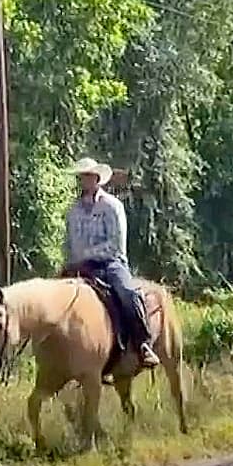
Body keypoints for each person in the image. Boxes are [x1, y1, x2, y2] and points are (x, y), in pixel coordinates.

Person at [62, 157, 159, 370]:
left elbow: (115, 244)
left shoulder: (112, 206)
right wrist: (69, 262)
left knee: (128, 292)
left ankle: (142, 344)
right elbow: (68, 242)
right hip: (80, 266)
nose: (85, 180)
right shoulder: (72, 211)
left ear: (98, 178)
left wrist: (87, 254)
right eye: (82, 176)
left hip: (110, 263)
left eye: (88, 176)